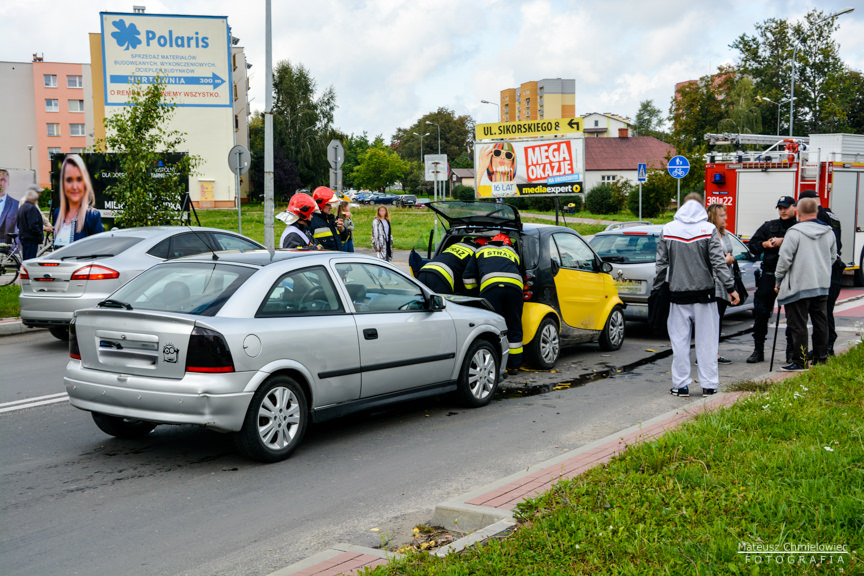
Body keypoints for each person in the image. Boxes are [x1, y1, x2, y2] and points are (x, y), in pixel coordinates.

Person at [654, 194, 739, 397]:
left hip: (678, 297)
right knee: (707, 342)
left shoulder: (668, 230)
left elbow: (660, 265)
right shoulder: (708, 230)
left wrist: (656, 289)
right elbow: (719, 263)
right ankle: (709, 385)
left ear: (682, 207)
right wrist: (730, 288)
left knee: (680, 343)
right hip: (705, 297)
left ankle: (681, 385)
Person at [774, 197, 837, 371]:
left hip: (799, 285)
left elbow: (784, 260)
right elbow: (832, 257)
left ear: (798, 212)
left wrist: (778, 279)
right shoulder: (828, 232)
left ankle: (800, 362)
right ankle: (821, 358)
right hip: (821, 284)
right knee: (821, 322)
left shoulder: (794, 232)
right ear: (816, 211)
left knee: (798, 324)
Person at [745, 196, 797, 364]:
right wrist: (765, 245)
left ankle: (791, 351)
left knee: (793, 315)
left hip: (791, 275)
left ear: (794, 207)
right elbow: (752, 244)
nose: (783, 210)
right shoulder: (769, 226)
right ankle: (758, 350)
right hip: (769, 274)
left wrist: (785, 242)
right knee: (761, 313)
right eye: (780, 207)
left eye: (786, 207)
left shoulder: (798, 227)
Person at [463, 233, 523, 373]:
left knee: (492, 327)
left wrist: (474, 295)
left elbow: (468, 277)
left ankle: (495, 364)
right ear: (506, 244)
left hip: (491, 289)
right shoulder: (511, 251)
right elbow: (519, 270)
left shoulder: (480, 251)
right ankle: (514, 366)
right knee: (514, 325)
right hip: (514, 289)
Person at [797, 189, 843, 356]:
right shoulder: (832, 215)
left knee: (821, 312)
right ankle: (825, 347)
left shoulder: (819, 218)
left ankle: (824, 348)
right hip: (834, 268)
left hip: (825, 269)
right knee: (825, 310)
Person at [52, 154, 104, 247]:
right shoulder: (57, 213)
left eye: (79, 179)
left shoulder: (92, 216)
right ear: (63, 183)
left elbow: (99, 251)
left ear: (85, 182)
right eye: (69, 180)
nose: (74, 186)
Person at [706, 203, 735, 364]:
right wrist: (725, 260)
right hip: (712, 283)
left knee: (718, 319)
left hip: (724, 283)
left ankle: (714, 352)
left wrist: (730, 259)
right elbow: (708, 260)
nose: (725, 218)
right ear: (713, 217)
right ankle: (707, 354)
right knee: (711, 320)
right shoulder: (707, 235)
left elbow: (730, 252)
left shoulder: (723, 234)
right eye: (722, 215)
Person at [308, 186, 346, 250]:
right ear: (320, 204)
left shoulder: (331, 219)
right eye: (328, 204)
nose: (331, 207)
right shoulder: (312, 221)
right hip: (323, 259)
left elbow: (343, 239)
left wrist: (342, 230)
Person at [16, 186, 46, 260]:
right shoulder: (31, 208)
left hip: (24, 237)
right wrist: (40, 234)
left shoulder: (22, 207)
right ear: (35, 198)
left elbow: (18, 222)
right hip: (31, 239)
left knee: (26, 259)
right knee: (30, 260)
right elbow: (33, 225)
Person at [0, 168, 20, 247]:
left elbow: (18, 230)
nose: (0, 183)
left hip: (6, 251)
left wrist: (13, 254)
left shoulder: (16, 205)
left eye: (2, 180)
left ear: (8, 183)